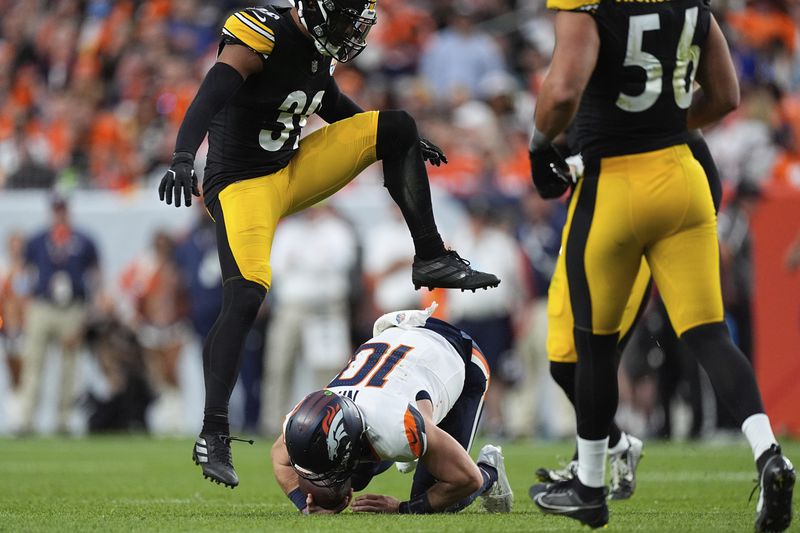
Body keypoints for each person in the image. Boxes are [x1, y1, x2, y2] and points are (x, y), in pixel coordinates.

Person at [157, 2, 500, 488]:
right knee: (247, 293)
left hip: (290, 169)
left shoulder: (319, 49)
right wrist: (182, 155)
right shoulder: (262, 34)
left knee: (397, 123)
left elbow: (331, 104)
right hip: (241, 183)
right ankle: (213, 431)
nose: (349, 32)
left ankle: (432, 258)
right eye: (342, 19)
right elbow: (211, 94)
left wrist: (395, 144)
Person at [527, 2, 794, 531]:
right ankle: (769, 455)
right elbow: (726, 95)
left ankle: (591, 486)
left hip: (614, 184)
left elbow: (561, 91)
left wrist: (539, 147)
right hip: (684, 175)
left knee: (595, 346)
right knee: (710, 335)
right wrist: (662, 123)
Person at [534, 131, 724, 499]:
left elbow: (703, 160)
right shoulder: (583, 112)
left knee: (596, 360)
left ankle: (588, 464)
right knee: (564, 365)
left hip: (631, 246)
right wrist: (549, 151)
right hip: (589, 238)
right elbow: (550, 181)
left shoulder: (651, 109)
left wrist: (693, 236)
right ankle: (616, 445)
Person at [270, 304, 513, 515]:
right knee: (355, 477)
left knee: (440, 496)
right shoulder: (304, 420)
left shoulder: (396, 425)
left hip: (458, 354)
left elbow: (467, 480)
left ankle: (490, 469)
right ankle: (413, 449)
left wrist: (402, 508)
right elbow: (279, 458)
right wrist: (306, 506)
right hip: (397, 341)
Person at [17, 195, 99, 435]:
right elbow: (24, 273)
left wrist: (89, 310)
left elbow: (95, 276)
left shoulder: (83, 240)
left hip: (71, 308)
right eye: (56, 211)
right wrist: (24, 303)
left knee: (69, 367)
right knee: (33, 363)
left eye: (63, 210)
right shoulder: (37, 240)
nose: (60, 215)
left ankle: (63, 420)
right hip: (42, 305)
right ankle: (26, 419)